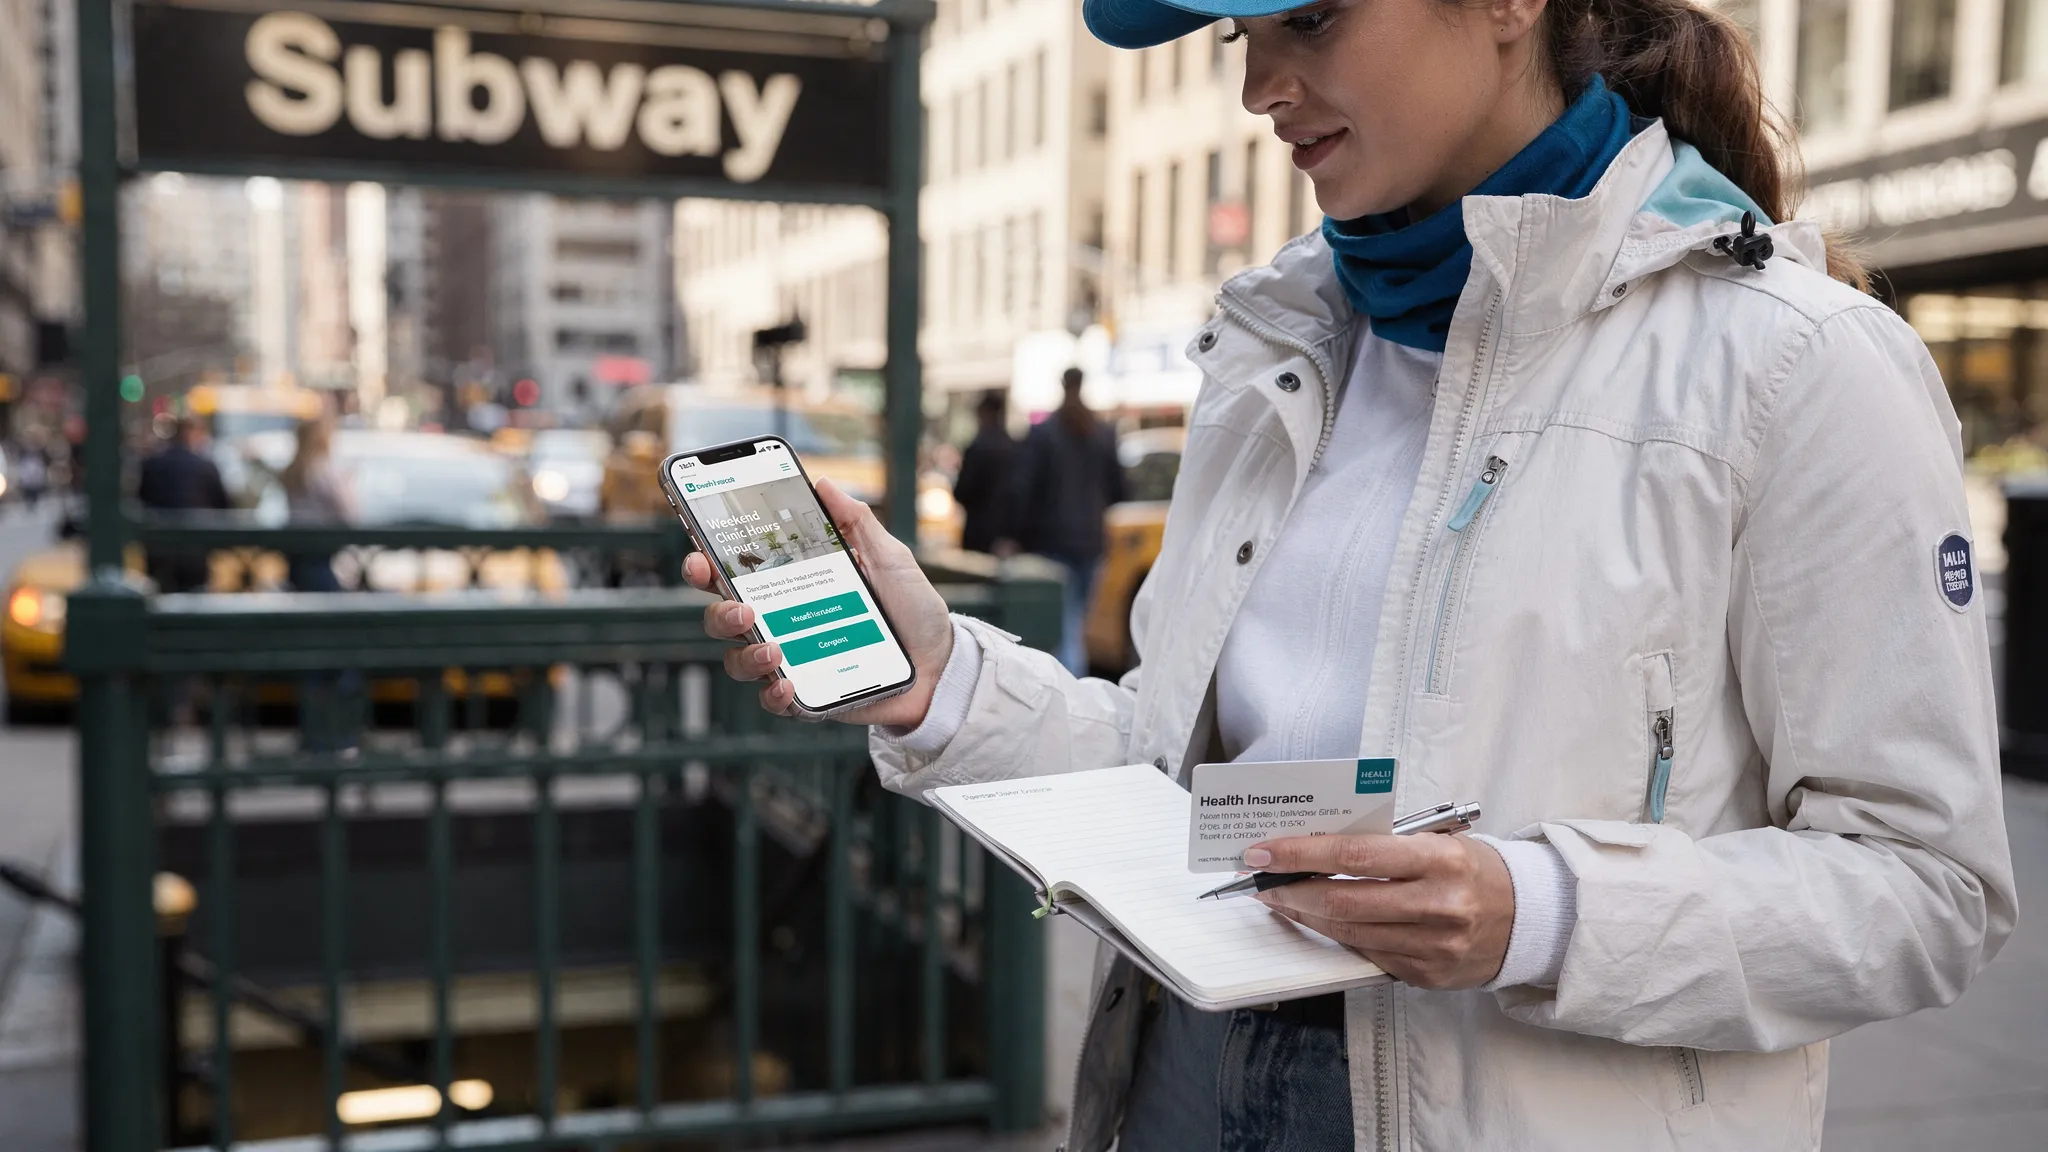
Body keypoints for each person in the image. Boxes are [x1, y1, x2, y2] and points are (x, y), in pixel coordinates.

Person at [689, 1, 2017, 1149]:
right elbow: (1177, 786)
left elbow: (1924, 886)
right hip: (1182, 1071)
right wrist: (942, 682)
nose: (1262, 85)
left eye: (1310, 19)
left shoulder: (1800, 365)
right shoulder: (1274, 352)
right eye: (1240, 35)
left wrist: (1542, 912)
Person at [999, 367, 1126, 674]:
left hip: (1050, 542)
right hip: (1091, 542)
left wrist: (1012, 535)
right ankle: (1071, 692)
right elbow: (1120, 489)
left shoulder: (1045, 433)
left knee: (1064, 630)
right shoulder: (1102, 433)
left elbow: (1022, 489)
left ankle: (1069, 698)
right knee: (1074, 623)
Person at [136, 413, 231, 593]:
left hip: (158, 548)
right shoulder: (205, 466)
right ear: (195, 434)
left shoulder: (152, 464)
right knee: (194, 598)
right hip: (194, 550)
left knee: (160, 598)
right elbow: (222, 505)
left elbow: (142, 499)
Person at [278, 414, 355, 592]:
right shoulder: (321, 470)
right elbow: (346, 511)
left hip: (296, 545)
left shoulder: (295, 469)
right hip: (318, 545)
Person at [951, 390, 1018, 555]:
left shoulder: (979, 447)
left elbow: (962, 491)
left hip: (978, 531)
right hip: (1005, 533)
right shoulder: (1013, 446)